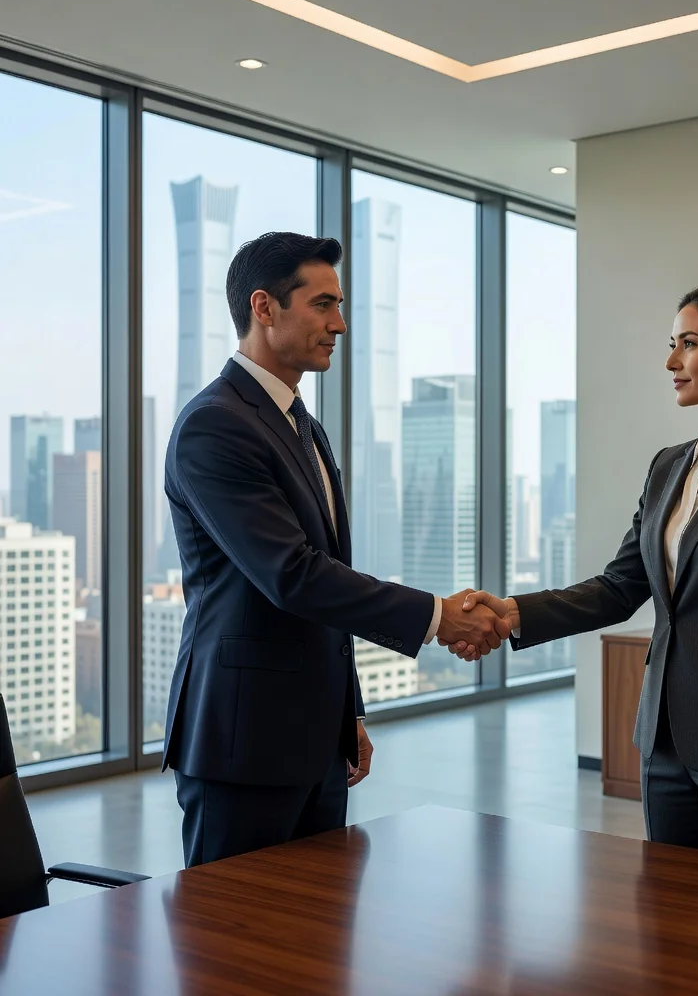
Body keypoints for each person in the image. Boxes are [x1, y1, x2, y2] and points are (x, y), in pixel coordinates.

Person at [452, 282, 698, 875]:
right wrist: (510, 613)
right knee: (667, 924)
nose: (671, 361)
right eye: (671, 344)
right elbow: (620, 587)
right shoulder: (668, 467)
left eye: (688, 343)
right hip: (662, 738)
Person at [163, 231, 508, 867]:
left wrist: (345, 713)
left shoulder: (302, 424)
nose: (340, 325)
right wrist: (437, 616)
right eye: (322, 305)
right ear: (264, 308)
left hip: (315, 738)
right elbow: (292, 576)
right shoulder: (215, 424)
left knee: (316, 947)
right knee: (233, 947)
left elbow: (327, 578)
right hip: (243, 741)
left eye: (339, 305)